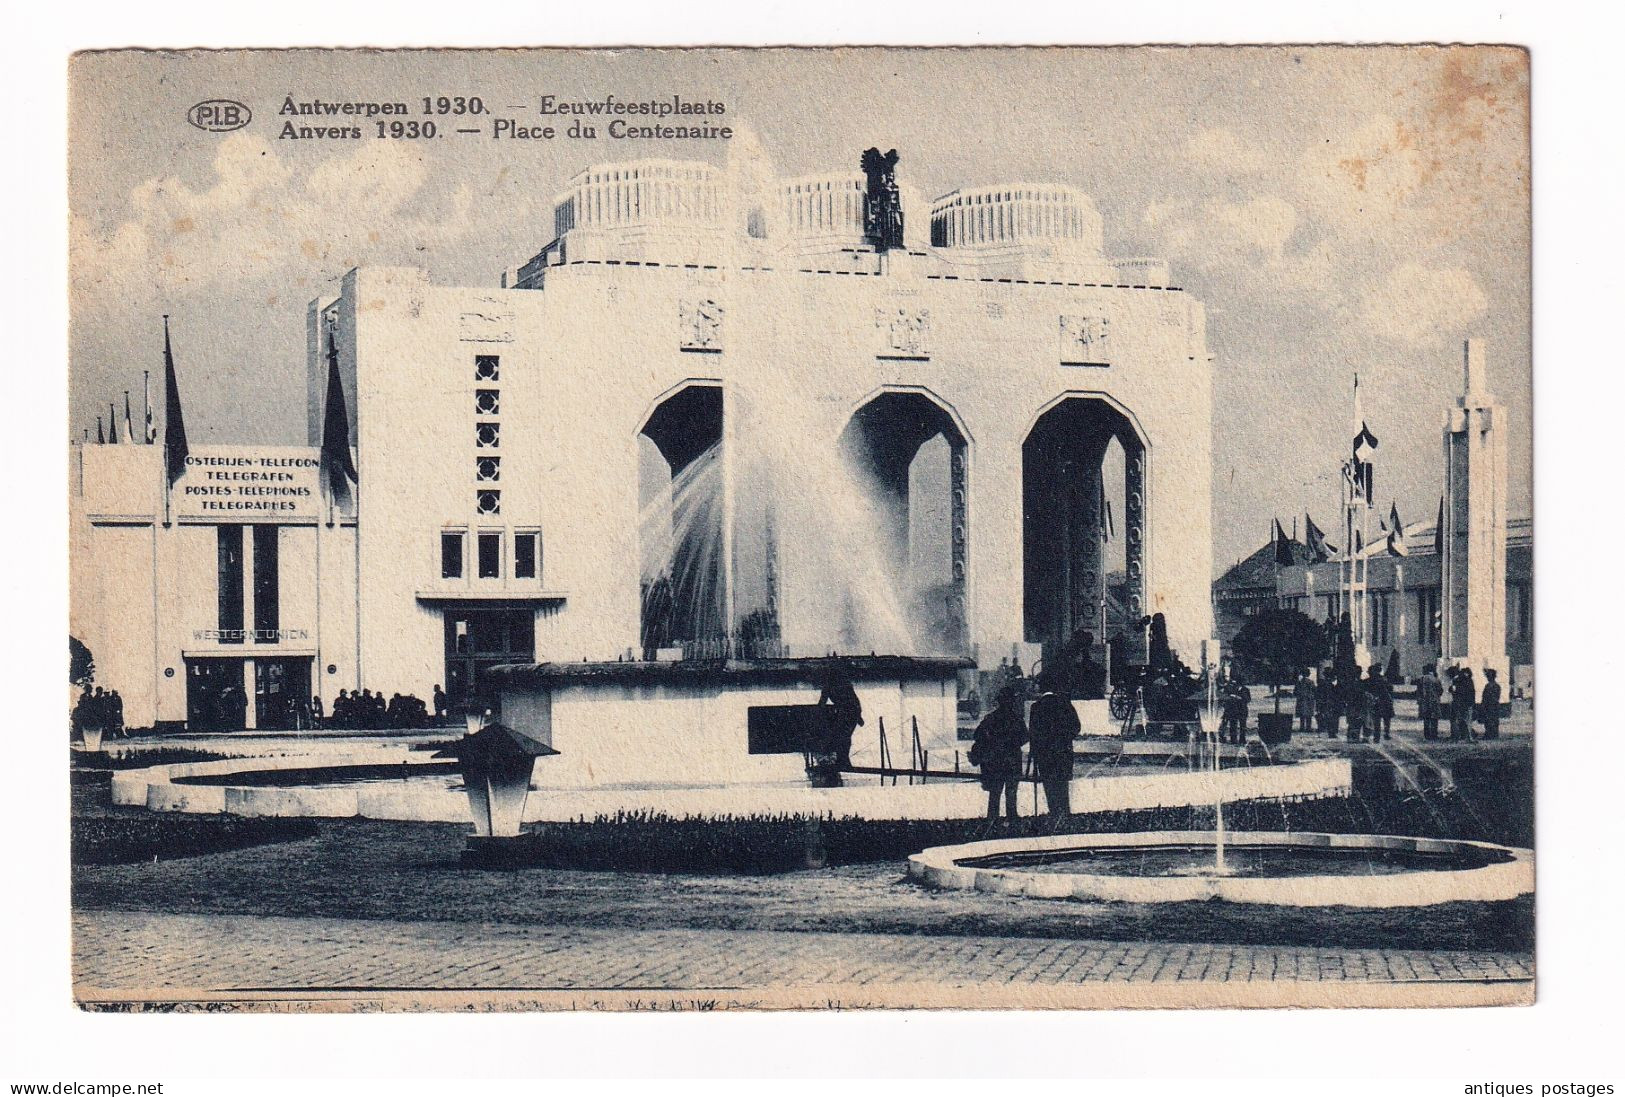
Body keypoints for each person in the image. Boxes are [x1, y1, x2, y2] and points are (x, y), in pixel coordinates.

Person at [969, 685, 1027, 820]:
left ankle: (992, 822)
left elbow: (977, 735)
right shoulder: (1017, 719)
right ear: (1012, 702)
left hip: (995, 762)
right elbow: (1025, 737)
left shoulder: (991, 718)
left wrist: (993, 742)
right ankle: (1012, 821)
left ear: (999, 701)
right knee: (1011, 794)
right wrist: (1012, 744)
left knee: (995, 795)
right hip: (1013, 762)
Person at [1028, 674, 1080, 818]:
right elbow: (1076, 727)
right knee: (1063, 787)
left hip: (1045, 756)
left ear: (1042, 687)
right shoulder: (1065, 704)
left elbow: (1033, 734)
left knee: (1050, 789)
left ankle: (1054, 816)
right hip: (1064, 753)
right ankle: (1065, 817)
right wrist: (1064, 740)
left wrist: (1035, 756)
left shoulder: (1036, 707)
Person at [816, 667, 865, 772]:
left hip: (850, 711)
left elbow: (822, 703)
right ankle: (843, 760)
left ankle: (843, 761)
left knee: (842, 736)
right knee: (844, 736)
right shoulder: (844, 683)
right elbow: (854, 700)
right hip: (852, 711)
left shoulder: (829, 686)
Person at [1449, 667, 1475, 741]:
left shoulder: (1457, 681)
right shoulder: (1470, 681)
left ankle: (1458, 737)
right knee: (1468, 721)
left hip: (1460, 704)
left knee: (1459, 720)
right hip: (1468, 704)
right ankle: (1468, 737)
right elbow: (1472, 693)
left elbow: (1453, 690)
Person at [1417, 666, 1443, 741]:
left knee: (1426, 719)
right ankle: (1434, 735)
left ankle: (1427, 735)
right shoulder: (1436, 679)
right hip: (1434, 701)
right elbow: (1440, 691)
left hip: (1425, 702)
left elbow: (1419, 691)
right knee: (1434, 719)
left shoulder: (1421, 679)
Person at [1368, 668, 1394, 741]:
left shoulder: (1371, 680)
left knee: (1377, 720)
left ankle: (1377, 736)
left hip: (1377, 702)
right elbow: (1390, 689)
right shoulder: (1384, 679)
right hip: (1386, 702)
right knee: (1386, 719)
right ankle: (1386, 733)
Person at [1345, 673, 1369, 744]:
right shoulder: (1351, 683)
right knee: (1354, 721)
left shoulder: (1360, 682)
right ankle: (1352, 738)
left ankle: (1354, 738)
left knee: (1357, 721)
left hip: (1357, 705)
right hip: (1353, 705)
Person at [1479, 669, 1502, 740]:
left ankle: (1489, 734)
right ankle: (1494, 734)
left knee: (1488, 720)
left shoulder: (1488, 686)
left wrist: (1482, 705)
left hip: (1489, 705)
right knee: (1494, 720)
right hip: (1495, 705)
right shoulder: (1497, 686)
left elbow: (1485, 697)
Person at [1294, 669, 1318, 735]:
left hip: (1301, 699)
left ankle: (1302, 727)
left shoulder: (1299, 682)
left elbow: (1295, 692)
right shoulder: (1311, 682)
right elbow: (1315, 690)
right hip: (1309, 699)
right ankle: (1308, 727)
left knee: (1302, 714)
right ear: (1309, 674)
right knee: (1309, 714)